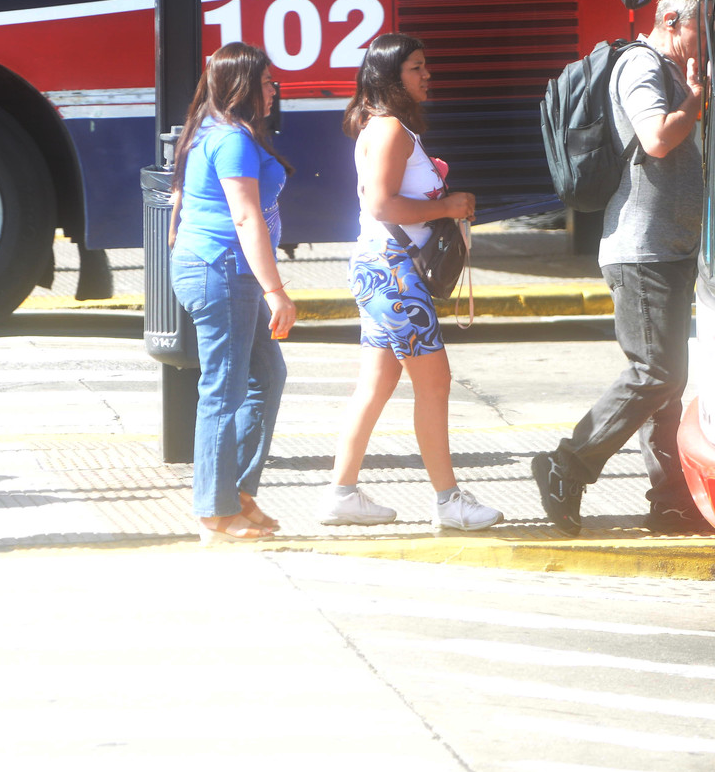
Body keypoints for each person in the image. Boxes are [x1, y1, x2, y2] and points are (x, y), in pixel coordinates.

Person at [530, 0, 711, 536]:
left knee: (667, 382)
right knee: (656, 372)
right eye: (704, 28)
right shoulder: (641, 66)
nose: (710, 41)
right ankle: (568, 464)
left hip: (670, 247)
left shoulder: (674, 70)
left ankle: (671, 499)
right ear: (672, 21)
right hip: (642, 249)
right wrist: (696, 102)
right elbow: (656, 138)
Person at [322, 33, 502, 533]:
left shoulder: (387, 128)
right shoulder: (390, 130)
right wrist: (447, 206)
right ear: (390, 77)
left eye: (425, 66)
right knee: (434, 383)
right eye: (416, 67)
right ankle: (449, 501)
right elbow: (381, 205)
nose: (427, 75)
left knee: (377, 383)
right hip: (393, 271)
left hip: (380, 268)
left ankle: (342, 494)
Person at [168, 42, 295, 543]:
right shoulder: (232, 140)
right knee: (223, 390)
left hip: (217, 267)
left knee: (267, 374)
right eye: (266, 83)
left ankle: (236, 494)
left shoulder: (209, 130)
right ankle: (214, 513)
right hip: (222, 269)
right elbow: (245, 217)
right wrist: (276, 290)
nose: (274, 91)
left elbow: (182, 199)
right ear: (242, 86)